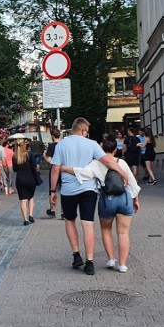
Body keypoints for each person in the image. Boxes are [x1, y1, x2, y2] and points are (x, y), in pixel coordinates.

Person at [49, 118, 129, 275]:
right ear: (83, 131)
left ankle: (76, 254)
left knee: (70, 221)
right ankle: (90, 262)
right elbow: (108, 161)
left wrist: (52, 191)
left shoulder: (61, 145)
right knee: (88, 224)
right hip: (88, 190)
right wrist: (123, 173)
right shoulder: (92, 144)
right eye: (87, 132)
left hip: (68, 190)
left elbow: (55, 170)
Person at [60, 138, 140, 273]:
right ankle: (122, 265)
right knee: (123, 233)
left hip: (107, 200)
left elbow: (81, 172)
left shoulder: (96, 164)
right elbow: (132, 182)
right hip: (124, 199)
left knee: (106, 230)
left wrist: (63, 168)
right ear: (115, 150)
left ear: (101, 150)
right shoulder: (122, 163)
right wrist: (136, 200)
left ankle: (110, 259)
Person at [12, 136, 38, 225]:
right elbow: (34, 165)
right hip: (30, 178)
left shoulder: (15, 156)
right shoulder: (29, 154)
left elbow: (15, 169)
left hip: (20, 179)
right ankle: (31, 215)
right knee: (30, 197)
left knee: (23, 200)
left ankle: (25, 219)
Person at [43, 128, 62, 217]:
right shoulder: (63, 145)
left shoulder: (52, 146)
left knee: (52, 189)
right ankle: (63, 212)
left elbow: (50, 160)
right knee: (63, 190)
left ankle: (52, 209)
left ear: (52, 136)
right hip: (63, 169)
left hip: (54, 169)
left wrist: (44, 156)